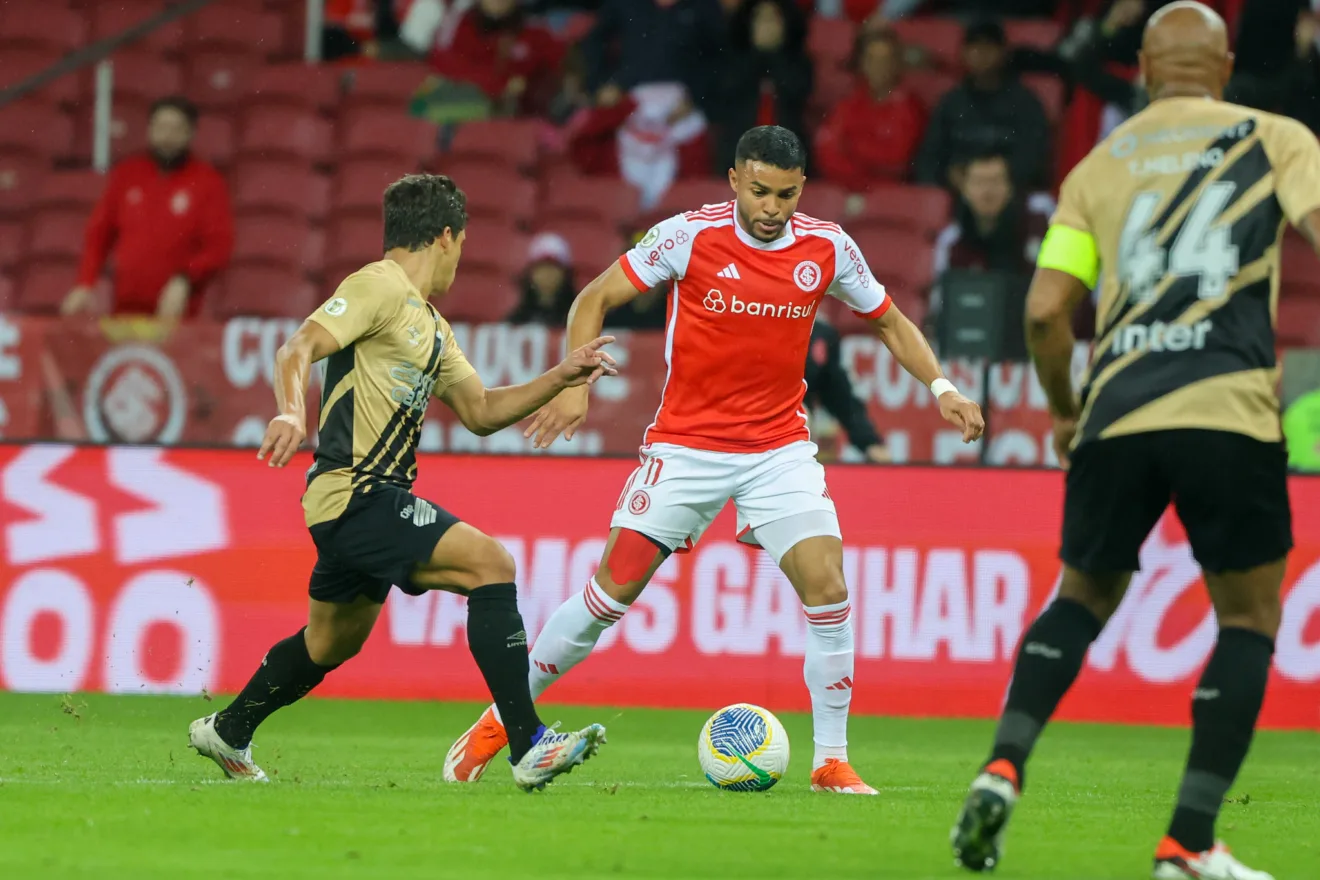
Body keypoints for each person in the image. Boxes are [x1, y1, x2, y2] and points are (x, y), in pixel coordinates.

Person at [442, 125, 984, 794]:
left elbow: (891, 322)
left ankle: (831, 762)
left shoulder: (828, 246)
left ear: (801, 189)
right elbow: (594, 299)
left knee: (830, 589)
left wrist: (944, 389)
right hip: (686, 447)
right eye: (759, 191)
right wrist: (576, 388)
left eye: (786, 194)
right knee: (610, 592)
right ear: (733, 181)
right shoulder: (687, 235)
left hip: (778, 450)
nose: (772, 208)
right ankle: (501, 721)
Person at [950, 4, 1320, 878]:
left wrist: (1067, 410)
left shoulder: (1097, 166)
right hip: (1226, 407)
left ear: (1147, 68)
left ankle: (1003, 764)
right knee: (1248, 618)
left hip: (1117, 412)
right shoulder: (1275, 137)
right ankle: (1187, 841)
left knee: (1079, 597)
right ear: (1225, 65)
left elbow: (1045, 312)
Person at [188, 174, 616, 792]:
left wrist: (562, 375)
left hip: (362, 502)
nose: (461, 259)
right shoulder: (377, 286)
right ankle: (528, 745)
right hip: (356, 492)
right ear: (444, 236)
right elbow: (297, 347)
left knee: (330, 644)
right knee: (490, 564)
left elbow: (483, 411)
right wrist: (289, 411)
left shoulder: (433, 327)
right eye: (461, 244)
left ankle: (229, 730)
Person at [64, 96, 233, 320]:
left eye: (176, 129)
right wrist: (85, 283)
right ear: (149, 129)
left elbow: (219, 246)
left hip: (179, 315)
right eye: (161, 127)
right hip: (125, 310)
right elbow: (99, 234)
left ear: (190, 133)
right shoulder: (127, 174)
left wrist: (185, 279)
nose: (167, 136)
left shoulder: (207, 183)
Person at [915, 20, 1050, 190]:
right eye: (974, 48)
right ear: (963, 53)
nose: (981, 54)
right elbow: (929, 157)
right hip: (956, 192)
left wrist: (991, 177)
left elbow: (1033, 158)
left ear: (1003, 53)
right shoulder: (950, 102)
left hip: (1009, 192)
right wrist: (948, 175)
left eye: (988, 47)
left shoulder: (1025, 102)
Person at [814, 27, 927, 189]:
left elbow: (897, 160)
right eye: (871, 59)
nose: (878, 67)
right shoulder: (848, 103)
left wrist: (852, 147)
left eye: (885, 60)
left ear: (897, 63)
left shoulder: (910, 107)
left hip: (888, 195)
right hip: (843, 192)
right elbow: (827, 151)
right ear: (862, 64)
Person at [718, 0, 813, 169]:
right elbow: (729, 91)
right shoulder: (733, 60)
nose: (766, 26)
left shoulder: (799, 62)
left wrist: (774, 53)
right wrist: (758, 53)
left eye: (773, 19)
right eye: (760, 19)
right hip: (739, 155)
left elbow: (797, 92)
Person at [805, 318, 890, 462]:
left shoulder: (820, 335)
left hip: (794, 430)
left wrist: (868, 440)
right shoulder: (757, 323)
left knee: (802, 417)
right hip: (758, 420)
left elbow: (838, 394)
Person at [506, 233, 576, 325]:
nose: (547, 273)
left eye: (553, 267)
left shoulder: (580, 316)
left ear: (565, 273)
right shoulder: (516, 320)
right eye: (541, 267)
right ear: (531, 272)